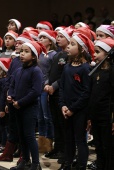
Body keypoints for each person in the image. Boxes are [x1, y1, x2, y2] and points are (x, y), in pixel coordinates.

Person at [0, 31, 34, 163]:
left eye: (21, 43)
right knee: (12, 128)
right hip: (12, 99)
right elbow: (9, 80)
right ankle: (8, 153)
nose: (17, 45)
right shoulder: (15, 61)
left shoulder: (31, 65)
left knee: (23, 130)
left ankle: (24, 155)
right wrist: (8, 96)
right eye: (18, 43)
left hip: (23, 101)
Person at [58, 33, 94, 170]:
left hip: (79, 110)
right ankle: (67, 163)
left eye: (73, 44)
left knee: (80, 139)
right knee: (68, 139)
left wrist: (73, 108)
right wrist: (62, 105)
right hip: (67, 109)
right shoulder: (67, 66)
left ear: (82, 49)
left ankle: (81, 165)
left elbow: (86, 93)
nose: (68, 46)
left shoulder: (86, 69)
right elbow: (61, 86)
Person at [8, 41, 45, 170]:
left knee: (29, 135)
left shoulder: (36, 71)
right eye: (21, 51)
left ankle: (36, 164)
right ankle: (25, 161)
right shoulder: (18, 70)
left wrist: (20, 102)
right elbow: (12, 85)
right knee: (21, 135)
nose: (22, 53)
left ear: (34, 56)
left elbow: (36, 91)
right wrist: (11, 96)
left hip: (29, 108)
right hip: (17, 106)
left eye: (26, 51)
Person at [44, 26, 74, 161]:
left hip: (60, 92)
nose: (58, 38)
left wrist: (54, 87)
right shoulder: (57, 54)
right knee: (55, 121)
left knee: (63, 123)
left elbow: (64, 76)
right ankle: (57, 148)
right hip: (52, 92)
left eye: (62, 36)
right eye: (57, 36)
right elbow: (50, 72)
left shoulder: (68, 56)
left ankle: (64, 151)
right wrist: (46, 83)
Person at [88, 37, 114, 170]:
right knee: (98, 144)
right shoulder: (95, 71)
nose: (94, 54)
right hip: (95, 114)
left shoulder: (111, 72)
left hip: (106, 116)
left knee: (107, 145)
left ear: (108, 54)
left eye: (97, 52)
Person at [37, 30, 57, 153]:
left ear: (50, 41)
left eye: (44, 37)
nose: (41, 40)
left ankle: (50, 142)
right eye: (40, 37)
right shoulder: (39, 54)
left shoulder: (53, 54)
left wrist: (48, 84)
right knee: (40, 117)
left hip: (46, 87)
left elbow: (52, 72)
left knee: (47, 116)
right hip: (37, 88)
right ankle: (42, 144)